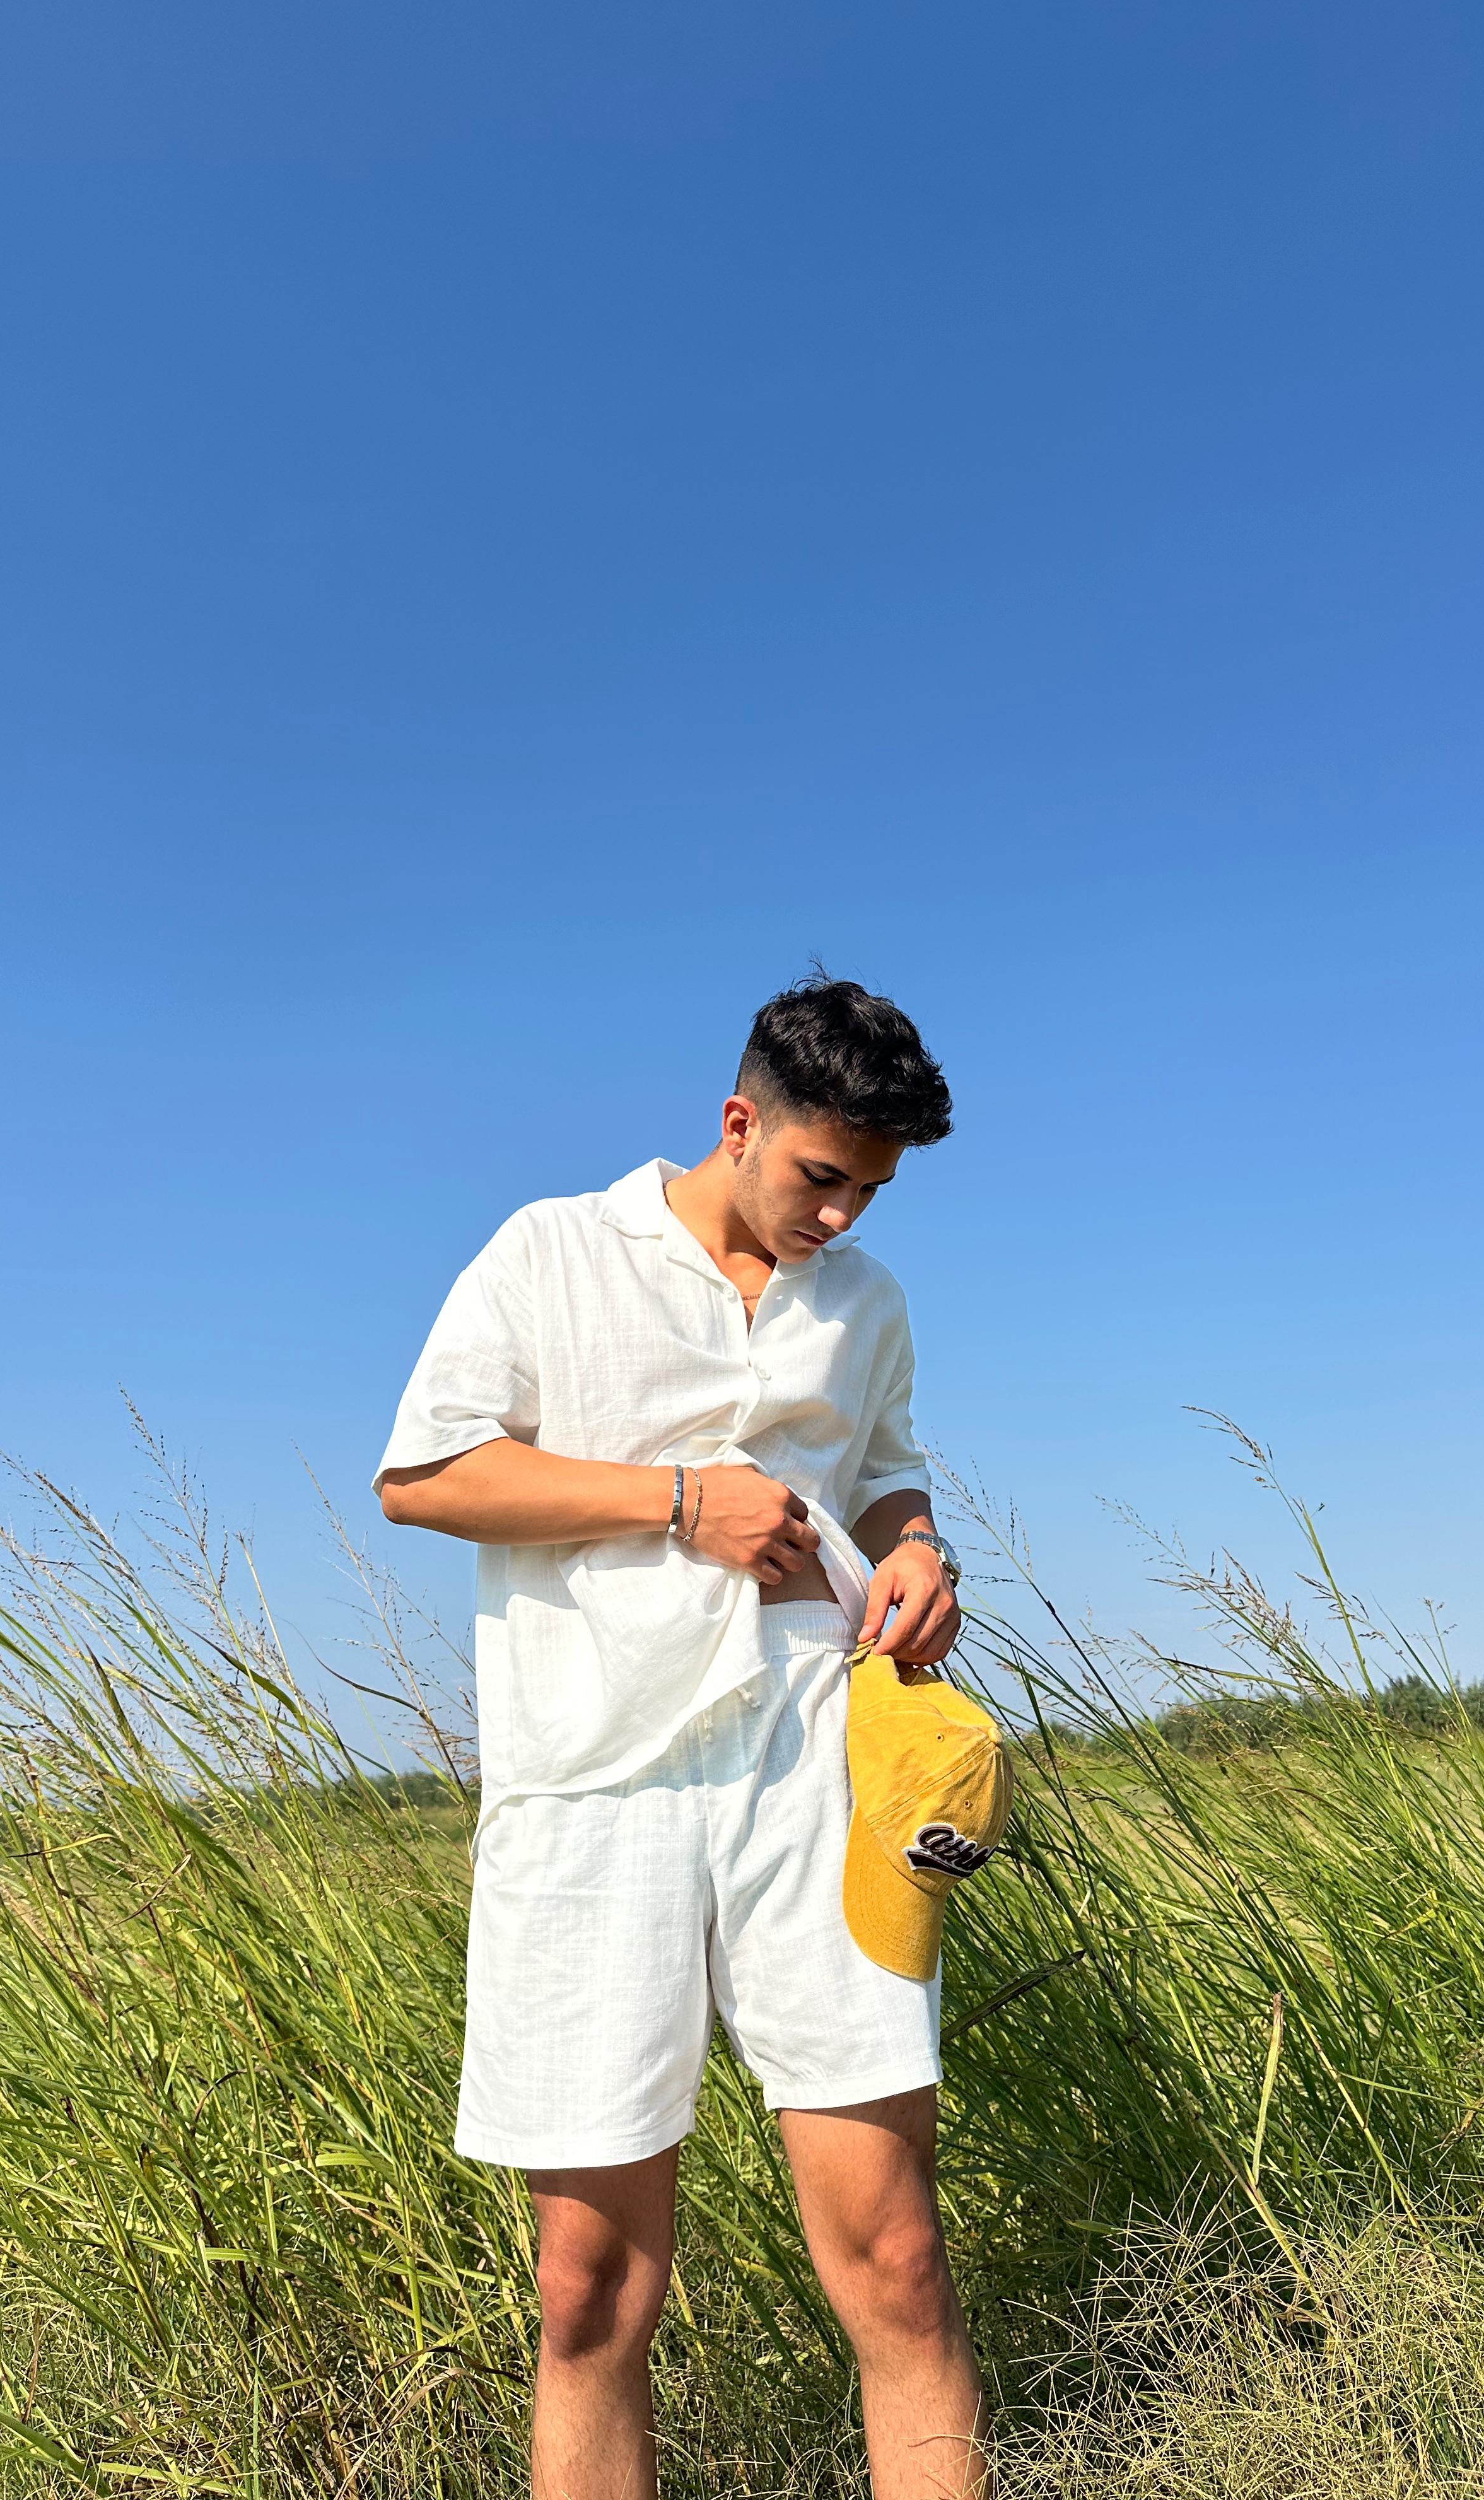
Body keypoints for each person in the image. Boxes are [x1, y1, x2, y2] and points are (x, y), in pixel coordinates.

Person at [376, 974, 987, 2500]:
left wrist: (919, 1554)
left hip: (813, 1782)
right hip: (595, 1790)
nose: (841, 1217)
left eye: (871, 1189)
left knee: (899, 2257)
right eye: (820, 1178)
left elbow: (887, 1478)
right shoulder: (551, 1251)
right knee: (589, 2292)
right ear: (739, 1122)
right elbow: (428, 1474)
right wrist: (671, 1499)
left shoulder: (870, 1308)